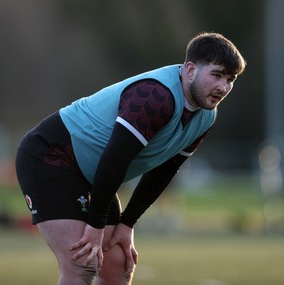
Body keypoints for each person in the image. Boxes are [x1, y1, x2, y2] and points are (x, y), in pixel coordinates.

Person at [15, 32, 246, 285]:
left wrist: (127, 223)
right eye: (217, 75)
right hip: (51, 156)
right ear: (190, 69)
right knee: (82, 264)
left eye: (230, 79)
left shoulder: (206, 116)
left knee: (119, 267)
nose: (223, 87)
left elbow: (164, 171)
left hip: (94, 174)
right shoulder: (155, 97)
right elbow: (115, 160)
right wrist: (95, 226)